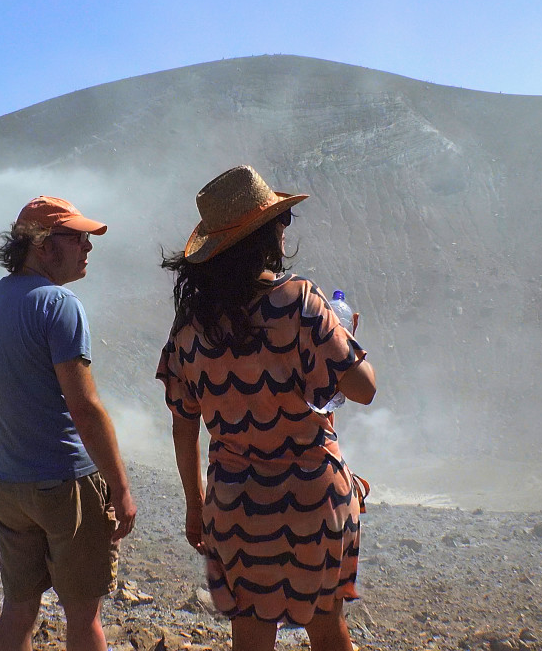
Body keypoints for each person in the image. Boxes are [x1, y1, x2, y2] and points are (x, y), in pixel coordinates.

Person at [156, 166, 377, 651]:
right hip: (312, 501)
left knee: (250, 637)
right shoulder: (299, 301)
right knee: (326, 627)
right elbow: (363, 388)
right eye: (282, 222)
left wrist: (196, 507)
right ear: (263, 237)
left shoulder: (190, 329)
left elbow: (182, 426)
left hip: (236, 508)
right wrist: (346, 340)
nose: (285, 230)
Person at [0, 196, 137, 651]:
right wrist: (120, 487)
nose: (87, 247)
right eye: (77, 237)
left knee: (19, 608)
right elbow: (85, 407)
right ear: (43, 244)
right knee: (84, 617)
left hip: (10, 484)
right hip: (66, 483)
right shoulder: (59, 304)